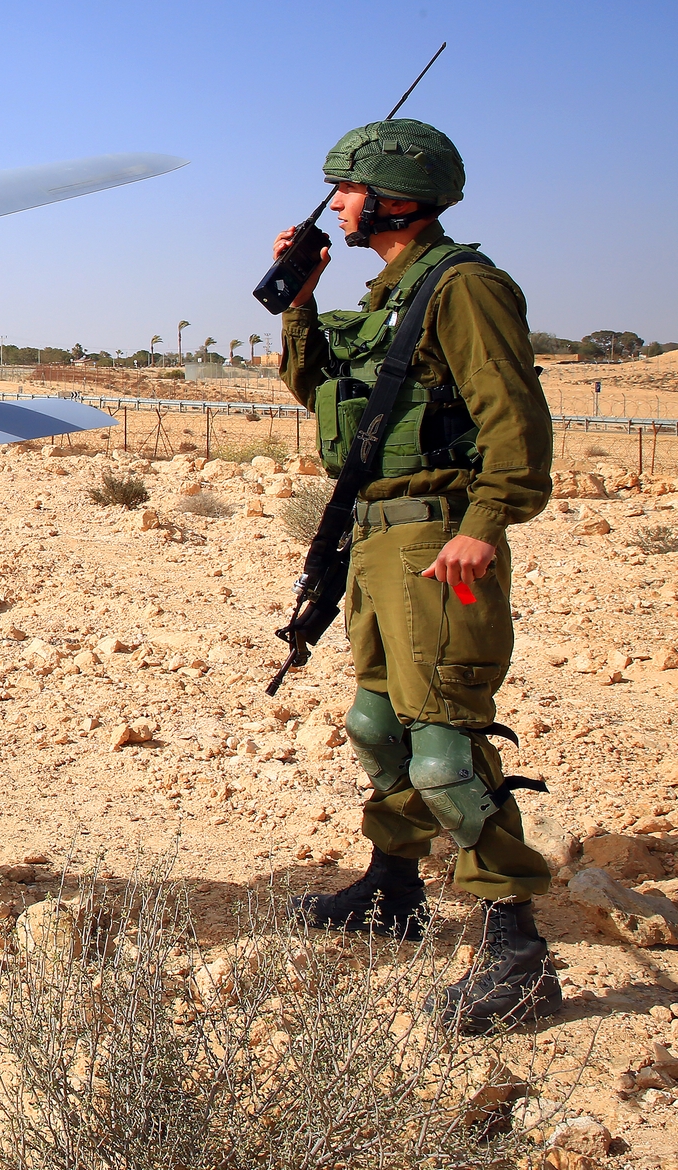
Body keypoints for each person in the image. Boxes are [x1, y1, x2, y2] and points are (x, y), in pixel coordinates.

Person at [274, 120, 562, 1032]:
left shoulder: (465, 288)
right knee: (375, 721)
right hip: (376, 536)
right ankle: (394, 891)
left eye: (348, 192)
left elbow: (513, 416)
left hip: (439, 539)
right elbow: (329, 397)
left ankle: (517, 953)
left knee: (443, 748)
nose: (337, 206)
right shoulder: (392, 295)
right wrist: (300, 299)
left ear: (396, 198)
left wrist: (486, 524)